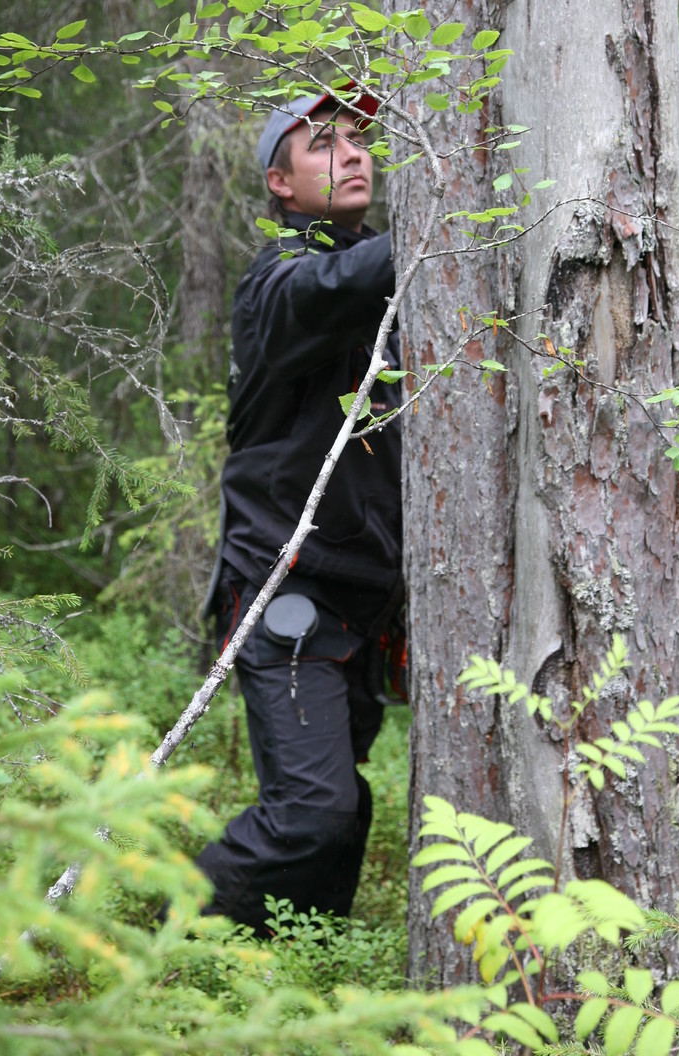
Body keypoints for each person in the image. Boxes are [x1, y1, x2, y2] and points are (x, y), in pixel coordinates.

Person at [194, 91, 402, 933]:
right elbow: (337, 282)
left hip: (363, 601)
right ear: (280, 184)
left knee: (343, 812)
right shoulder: (277, 285)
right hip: (288, 594)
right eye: (324, 145)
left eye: (359, 141)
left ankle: (294, 978)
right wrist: (453, 219)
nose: (352, 153)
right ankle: (148, 950)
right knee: (310, 811)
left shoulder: (388, 284)